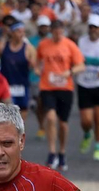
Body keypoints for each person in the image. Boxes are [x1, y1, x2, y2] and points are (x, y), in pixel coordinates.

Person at [35, 18, 84, 170]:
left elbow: (81, 65)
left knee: (63, 123)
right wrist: (37, 70)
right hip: (47, 86)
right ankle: (52, 151)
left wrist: (69, 72)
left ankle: (62, 151)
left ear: (63, 32)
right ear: (51, 32)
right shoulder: (43, 44)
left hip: (65, 88)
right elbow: (37, 61)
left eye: (60, 32)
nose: (58, 35)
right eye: (55, 33)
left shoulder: (70, 45)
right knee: (50, 117)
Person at [74, 14, 99, 162]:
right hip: (84, 84)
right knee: (86, 120)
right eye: (91, 27)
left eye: (96, 27)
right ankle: (87, 134)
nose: (93, 30)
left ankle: (98, 147)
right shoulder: (81, 41)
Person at [0, 18, 36, 116]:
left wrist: (34, 66)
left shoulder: (28, 48)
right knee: (7, 115)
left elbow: (34, 66)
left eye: (23, 31)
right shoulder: (3, 46)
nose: (21, 34)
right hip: (7, 85)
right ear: (12, 32)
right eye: (18, 31)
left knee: (21, 118)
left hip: (22, 86)